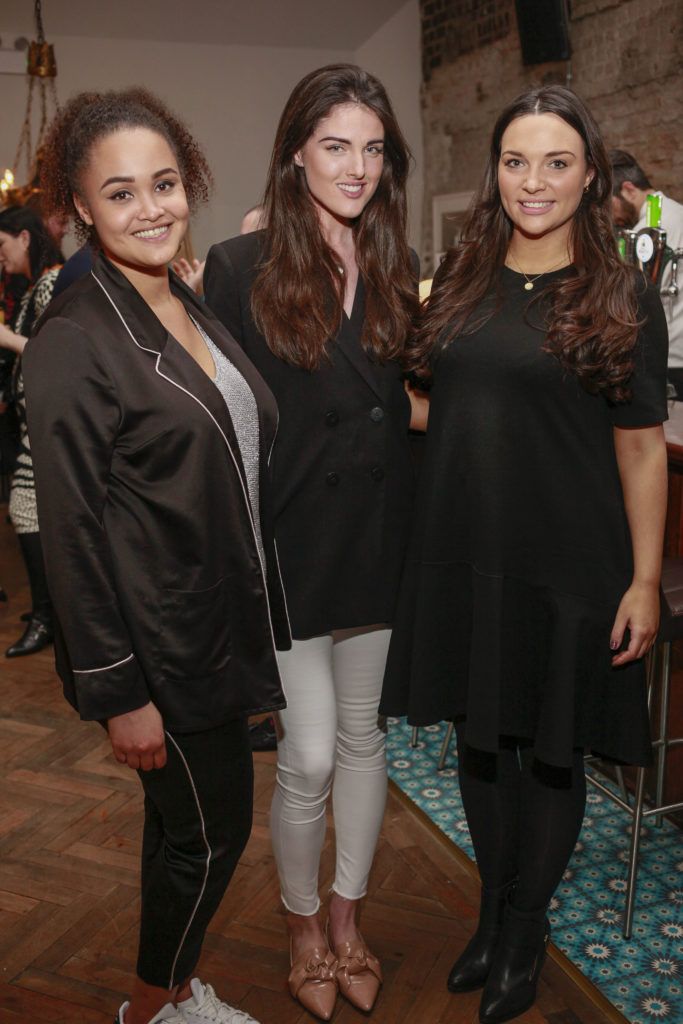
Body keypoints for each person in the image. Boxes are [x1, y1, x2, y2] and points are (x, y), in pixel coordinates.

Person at [380, 86, 668, 1024]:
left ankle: (524, 928)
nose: (531, 181)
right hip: (464, 551)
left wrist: (643, 579)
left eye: (554, 162)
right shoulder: (459, 275)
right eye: (514, 161)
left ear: (590, 174)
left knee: (548, 755)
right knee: (477, 741)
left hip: (569, 564)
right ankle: (492, 912)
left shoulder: (622, 292)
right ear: (493, 171)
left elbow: (636, 447)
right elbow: (429, 402)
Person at [22, 86, 291, 1024]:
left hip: (206, 621)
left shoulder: (174, 294)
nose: (152, 208)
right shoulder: (75, 338)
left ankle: (170, 990)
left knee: (179, 828)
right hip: (156, 647)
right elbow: (72, 534)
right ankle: (151, 1007)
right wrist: (117, 689)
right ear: (82, 209)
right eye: (122, 193)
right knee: (212, 836)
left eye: (166, 183)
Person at [204, 64, 424, 1020]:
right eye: (336, 145)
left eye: (373, 149)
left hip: (377, 543)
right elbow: (222, 425)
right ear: (295, 152)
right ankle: (299, 927)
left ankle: (346, 919)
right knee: (306, 757)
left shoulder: (392, 263)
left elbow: (404, 404)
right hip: (287, 551)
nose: (357, 166)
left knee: (365, 740)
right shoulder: (239, 266)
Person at [0, 205, 62, 657]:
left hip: (46, 422)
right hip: (33, 420)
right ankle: (49, 610)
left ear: (24, 238)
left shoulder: (50, 283)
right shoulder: (30, 288)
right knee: (29, 512)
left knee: (26, 508)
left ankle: (48, 618)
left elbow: (51, 352)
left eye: (2, 246)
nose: (0, 257)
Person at [609, 149, 683, 396]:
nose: (611, 215)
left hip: (670, 357)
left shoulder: (647, 231)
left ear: (629, 189)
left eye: (610, 204)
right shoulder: (674, 210)